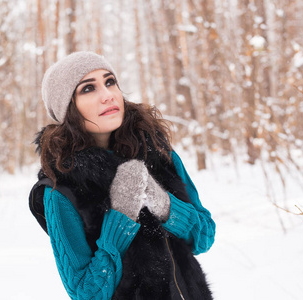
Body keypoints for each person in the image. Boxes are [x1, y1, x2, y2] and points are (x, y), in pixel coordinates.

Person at [29, 51, 215, 300]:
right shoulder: (59, 189)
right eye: (88, 89)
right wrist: (122, 216)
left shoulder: (157, 152)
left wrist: (162, 203)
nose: (107, 95)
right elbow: (86, 292)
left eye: (110, 82)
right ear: (68, 109)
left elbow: (203, 237)